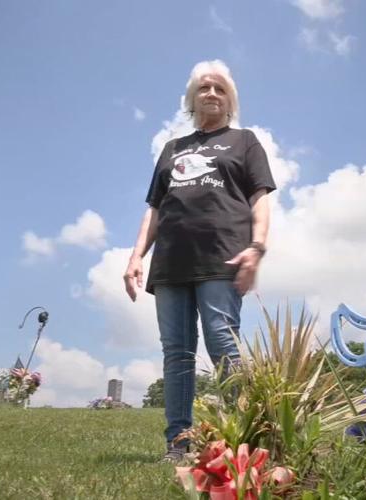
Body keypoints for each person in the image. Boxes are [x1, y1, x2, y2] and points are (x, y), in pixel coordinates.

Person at [123, 60, 276, 463]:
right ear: (192, 99)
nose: (212, 94)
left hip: (222, 254)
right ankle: (178, 443)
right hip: (171, 260)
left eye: (220, 88)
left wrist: (256, 247)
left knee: (222, 343)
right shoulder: (173, 149)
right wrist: (137, 255)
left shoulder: (245, 142)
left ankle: (248, 441)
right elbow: (154, 207)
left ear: (231, 100)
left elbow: (260, 198)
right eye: (204, 88)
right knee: (176, 352)